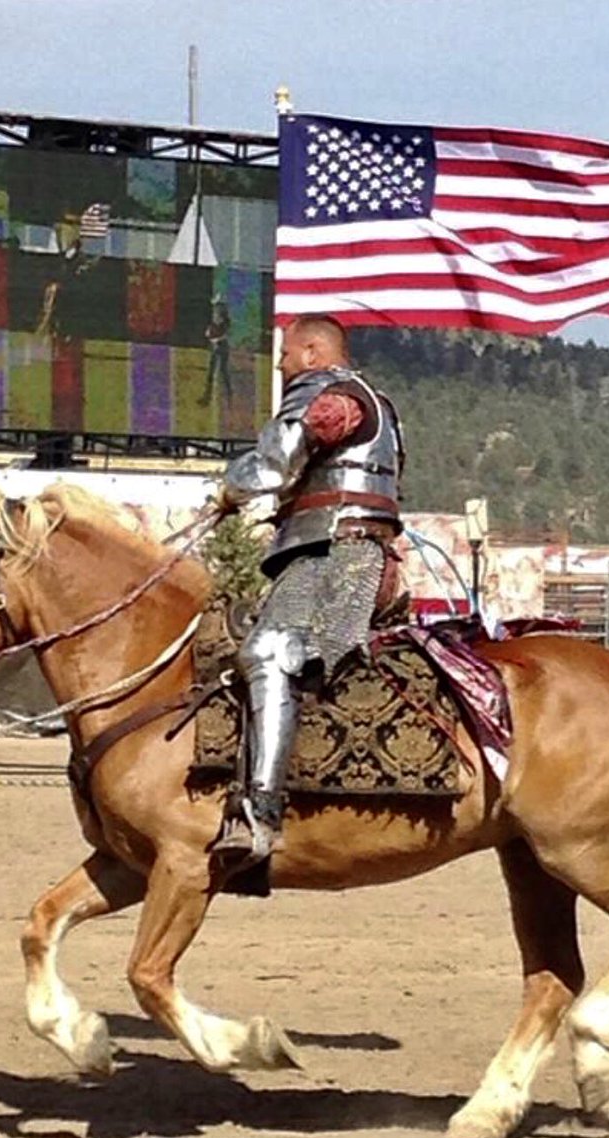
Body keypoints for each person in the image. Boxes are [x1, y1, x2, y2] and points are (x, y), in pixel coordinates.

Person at [211, 313, 405, 870]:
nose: (281, 364)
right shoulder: (374, 401)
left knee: (270, 650)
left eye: (287, 354)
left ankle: (260, 813)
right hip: (338, 548)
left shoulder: (326, 393)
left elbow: (276, 464)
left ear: (314, 352)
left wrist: (227, 491)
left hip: (337, 553)